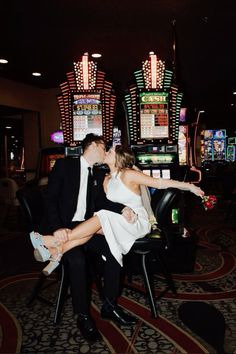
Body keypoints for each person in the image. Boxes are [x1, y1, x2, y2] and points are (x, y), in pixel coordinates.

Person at [32, 145, 205, 318]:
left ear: (119, 157)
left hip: (136, 222)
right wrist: (120, 209)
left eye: (111, 151)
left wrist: (190, 187)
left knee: (102, 216)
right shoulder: (106, 178)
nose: (106, 152)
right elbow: (107, 205)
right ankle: (58, 251)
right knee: (94, 226)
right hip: (118, 221)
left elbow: (160, 183)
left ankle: (53, 242)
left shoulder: (128, 173)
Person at [38, 134, 137, 342]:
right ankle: (83, 316)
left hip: (86, 227)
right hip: (63, 227)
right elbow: (50, 200)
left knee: (114, 250)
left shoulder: (97, 173)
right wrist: (57, 228)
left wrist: (123, 209)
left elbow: (103, 202)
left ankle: (109, 306)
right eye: (104, 147)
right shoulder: (65, 166)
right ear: (93, 145)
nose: (106, 150)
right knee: (78, 261)